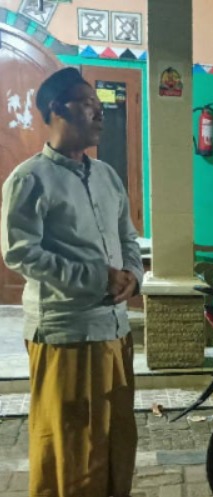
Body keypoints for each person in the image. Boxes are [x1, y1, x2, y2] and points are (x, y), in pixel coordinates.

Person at [0, 67, 143, 497]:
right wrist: (97, 277)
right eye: (87, 104)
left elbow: (127, 236)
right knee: (71, 448)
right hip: (66, 333)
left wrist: (133, 277)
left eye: (99, 105)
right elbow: (20, 252)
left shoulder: (107, 176)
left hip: (114, 330)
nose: (99, 113)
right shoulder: (30, 179)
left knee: (115, 441)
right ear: (56, 109)